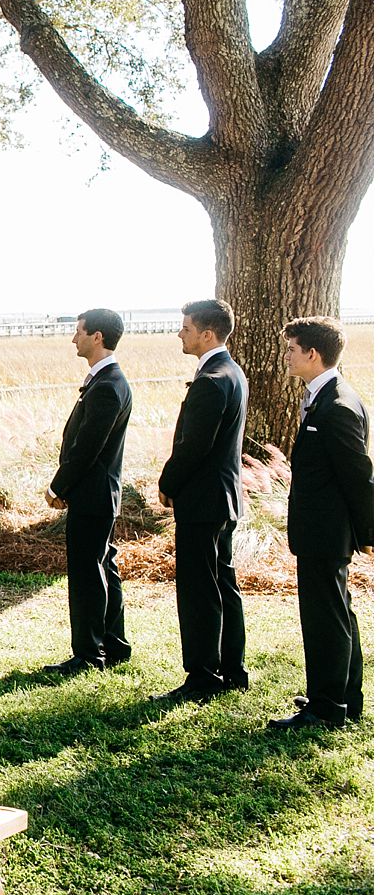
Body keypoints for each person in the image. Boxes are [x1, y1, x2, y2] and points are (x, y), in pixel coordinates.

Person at [269, 316, 372, 730]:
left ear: (313, 354)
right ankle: (342, 696)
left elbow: (358, 475)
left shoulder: (338, 405)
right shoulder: (325, 396)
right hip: (319, 528)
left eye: (292, 349)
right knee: (337, 612)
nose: (287, 357)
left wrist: (369, 534)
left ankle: (326, 708)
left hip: (326, 531)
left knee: (324, 616)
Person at [154, 299, 249, 704]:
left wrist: (167, 481)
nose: (180, 333)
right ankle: (232, 667)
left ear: (207, 334)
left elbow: (195, 445)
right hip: (223, 497)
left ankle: (203, 675)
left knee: (198, 589)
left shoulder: (212, 379)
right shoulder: (232, 371)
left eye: (186, 327)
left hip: (203, 500)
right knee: (223, 583)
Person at [43, 308, 134, 675]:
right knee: (103, 567)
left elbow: (87, 448)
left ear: (98, 337)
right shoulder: (104, 381)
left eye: (79, 331)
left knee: (86, 574)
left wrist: (58, 486)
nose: (73, 338)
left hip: (93, 494)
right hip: (99, 493)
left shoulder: (109, 386)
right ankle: (114, 644)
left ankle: (88, 654)